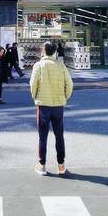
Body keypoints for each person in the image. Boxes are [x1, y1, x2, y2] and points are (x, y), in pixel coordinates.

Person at [30, 40, 74, 176]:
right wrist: (65, 97)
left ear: (44, 51)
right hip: (58, 105)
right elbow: (70, 84)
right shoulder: (61, 66)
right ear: (55, 51)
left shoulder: (39, 65)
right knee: (59, 136)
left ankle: (42, 165)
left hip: (43, 105)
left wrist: (35, 97)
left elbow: (33, 84)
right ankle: (61, 166)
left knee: (42, 136)